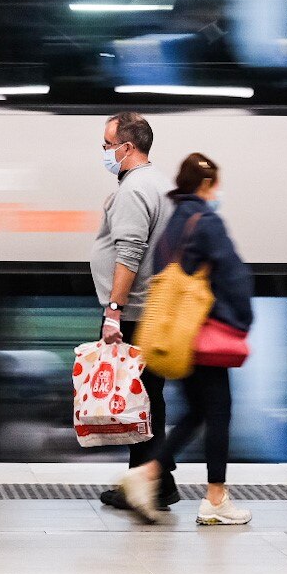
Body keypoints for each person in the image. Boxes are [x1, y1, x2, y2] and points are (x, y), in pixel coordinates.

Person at [126, 154, 254, 526]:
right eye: (215, 185)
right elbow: (234, 276)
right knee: (218, 413)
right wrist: (240, 322)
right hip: (206, 332)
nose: (217, 192)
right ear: (205, 186)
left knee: (200, 410)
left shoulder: (173, 223)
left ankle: (148, 474)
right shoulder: (207, 221)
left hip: (177, 335)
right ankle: (214, 498)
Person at [92, 111, 178, 512]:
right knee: (146, 401)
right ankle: (149, 482)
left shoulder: (134, 190)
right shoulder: (161, 183)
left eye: (108, 146)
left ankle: (154, 485)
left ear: (127, 147)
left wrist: (114, 310)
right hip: (153, 309)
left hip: (133, 313)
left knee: (137, 401)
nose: (105, 152)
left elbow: (129, 254)